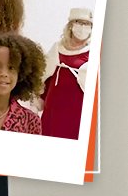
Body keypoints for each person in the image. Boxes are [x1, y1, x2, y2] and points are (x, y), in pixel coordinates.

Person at [38, 7, 92, 140]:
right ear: (71, 25)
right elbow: (45, 76)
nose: (83, 27)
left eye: (87, 24)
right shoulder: (57, 47)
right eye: (79, 22)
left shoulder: (92, 52)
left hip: (76, 111)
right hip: (53, 108)